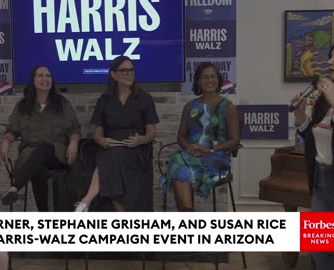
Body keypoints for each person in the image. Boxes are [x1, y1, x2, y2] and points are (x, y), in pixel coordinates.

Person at [291, 39, 334, 270]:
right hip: (320, 183)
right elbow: (317, 138)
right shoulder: (325, 94)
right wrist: (301, 117)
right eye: (330, 55)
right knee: (319, 253)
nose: (329, 61)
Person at [74, 56, 159, 212]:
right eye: (124, 71)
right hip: (110, 147)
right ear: (114, 74)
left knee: (112, 159)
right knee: (112, 156)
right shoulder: (105, 100)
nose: (129, 74)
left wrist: (142, 139)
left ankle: (86, 200)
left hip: (135, 150)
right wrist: (103, 141)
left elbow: (152, 133)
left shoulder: (144, 98)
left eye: (132, 70)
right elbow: (97, 135)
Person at [160, 62, 240, 211]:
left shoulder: (228, 106)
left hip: (216, 156)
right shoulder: (190, 106)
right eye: (205, 77)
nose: (209, 80)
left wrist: (208, 149)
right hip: (192, 154)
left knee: (180, 165)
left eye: (212, 76)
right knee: (179, 160)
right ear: (198, 81)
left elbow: (234, 140)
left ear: (218, 80)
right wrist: (189, 148)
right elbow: (181, 137)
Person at [1, 65, 81, 210]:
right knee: (38, 167)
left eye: (48, 76)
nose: (45, 78)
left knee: (43, 150)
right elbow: (12, 130)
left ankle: (15, 187)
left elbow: (74, 129)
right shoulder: (23, 106)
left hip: (56, 154)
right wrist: (6, 141)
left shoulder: (61, 104)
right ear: (33, 80)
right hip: (30, 156)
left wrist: (74, 142)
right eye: (41, 75)